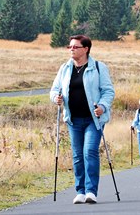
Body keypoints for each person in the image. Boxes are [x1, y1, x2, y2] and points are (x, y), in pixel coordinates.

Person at [50, 35, 115, 205]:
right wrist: (56, 99)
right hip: (73, 120)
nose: (71, 50)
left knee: (89, 152)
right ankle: (80, 191)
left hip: (93, 119)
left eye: (75, 47)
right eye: (69, 47)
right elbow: (54, 90)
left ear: (85, 49)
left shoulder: (99, 68)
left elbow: (108, 91)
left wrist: (102, 106)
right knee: (78, 156)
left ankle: (91, 191)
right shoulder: (65, 69)